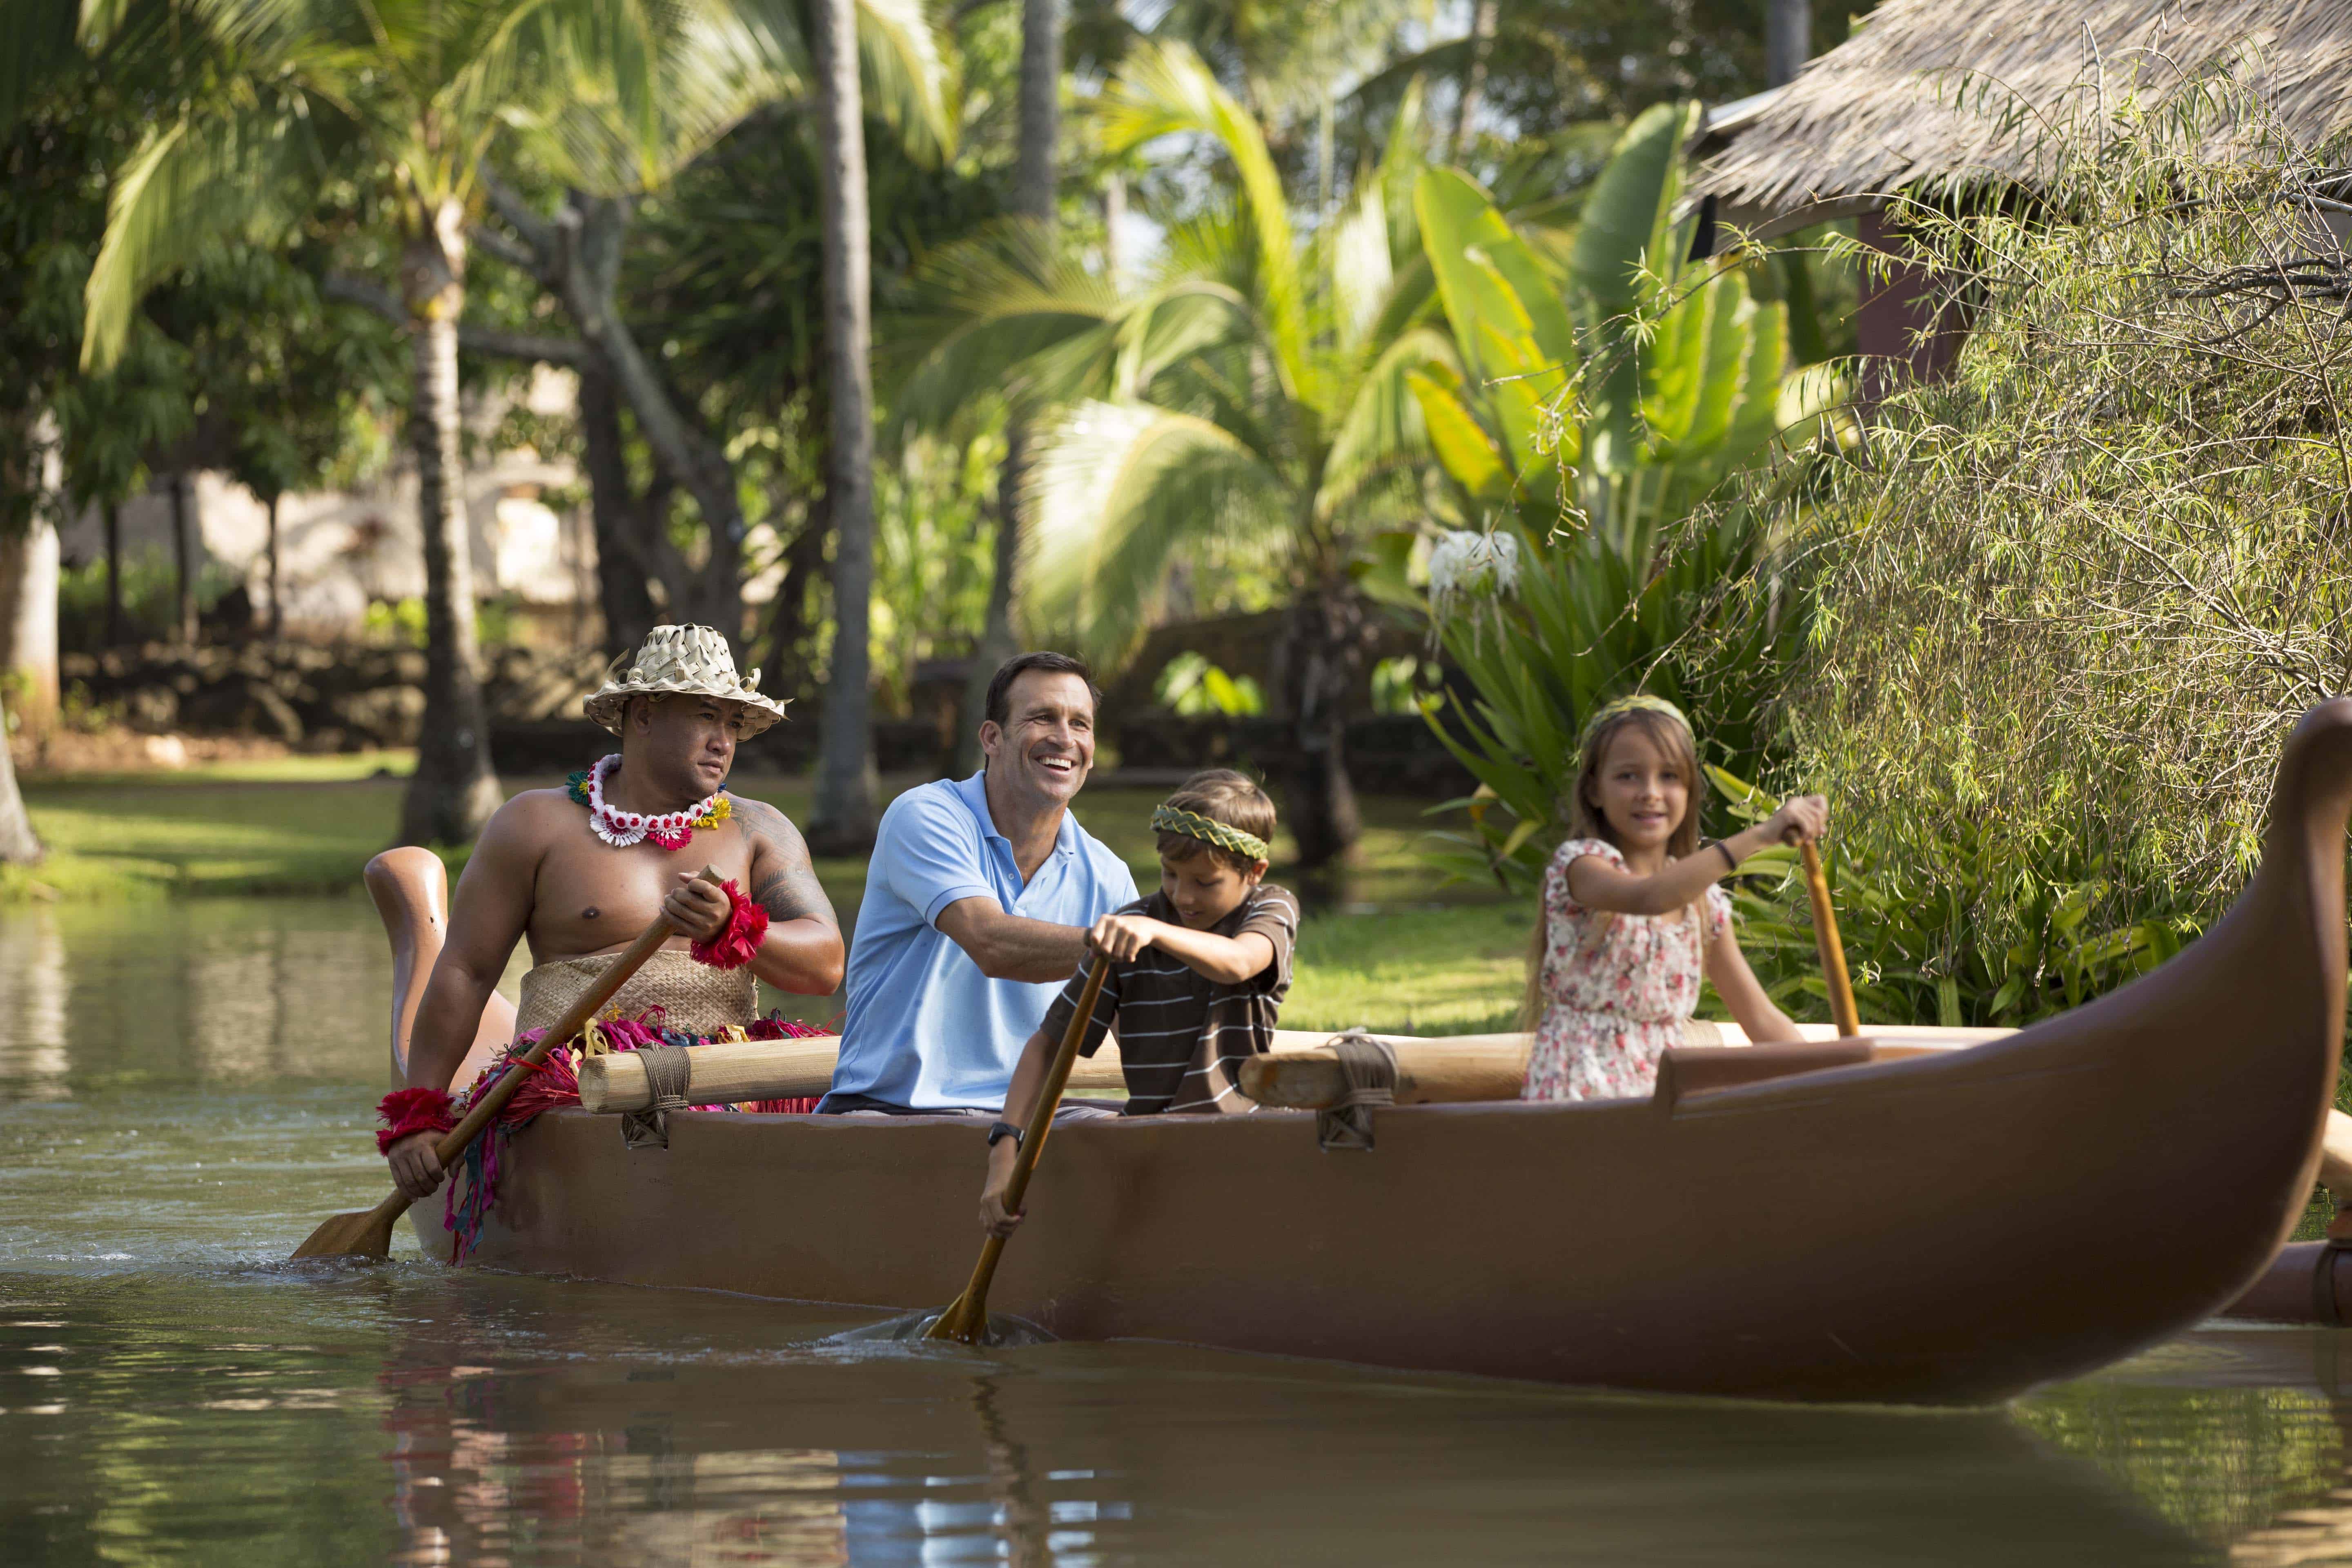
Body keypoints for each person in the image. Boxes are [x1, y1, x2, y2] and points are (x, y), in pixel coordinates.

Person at [382, 624, 844, 1198]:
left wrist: (735, 928)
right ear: (643, 716)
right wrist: (419, 1115)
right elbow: (466, 972)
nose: (723, 741)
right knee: (607, 1093)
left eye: (733, 724)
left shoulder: (759, 828)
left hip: (721, 1081)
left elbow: (826, 965)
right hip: (577, 1083)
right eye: (706, 716)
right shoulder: (534, 824)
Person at [979, 769, 1299, 1236]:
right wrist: (1004, 1154)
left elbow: (1238, 962)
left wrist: (1155, 932)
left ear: (1254, 873)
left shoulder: (1269, 908)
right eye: (1170, 874)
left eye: (1205, 882)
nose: (1183, 896)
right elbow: (1048, 1046)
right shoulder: (1131, 928)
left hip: (1243, 1143)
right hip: (1152, 1147)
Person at [820, 652, 1139, 1115]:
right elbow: (991, 943)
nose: (1065, 738)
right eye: (1043, 718)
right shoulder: (926, 816)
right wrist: (1131, 946)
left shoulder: (1107, 874)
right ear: (992, 738)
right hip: (893, 1111)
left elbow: (1145, 1032)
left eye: (1080, 724)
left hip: (1027, 1121)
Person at [1523, 694, 1825, 1103]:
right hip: (1580, 1091)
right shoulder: (1581, 866)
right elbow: (1650, 897)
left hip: (1662, 1098)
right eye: (1628, 776)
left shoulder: (1704, 904)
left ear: (1689, 790)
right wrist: (1761, 834)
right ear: (1594, 790)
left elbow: (1760, 1017)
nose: (1650, 792)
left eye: (1669, 776)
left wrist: (1836, 1077)